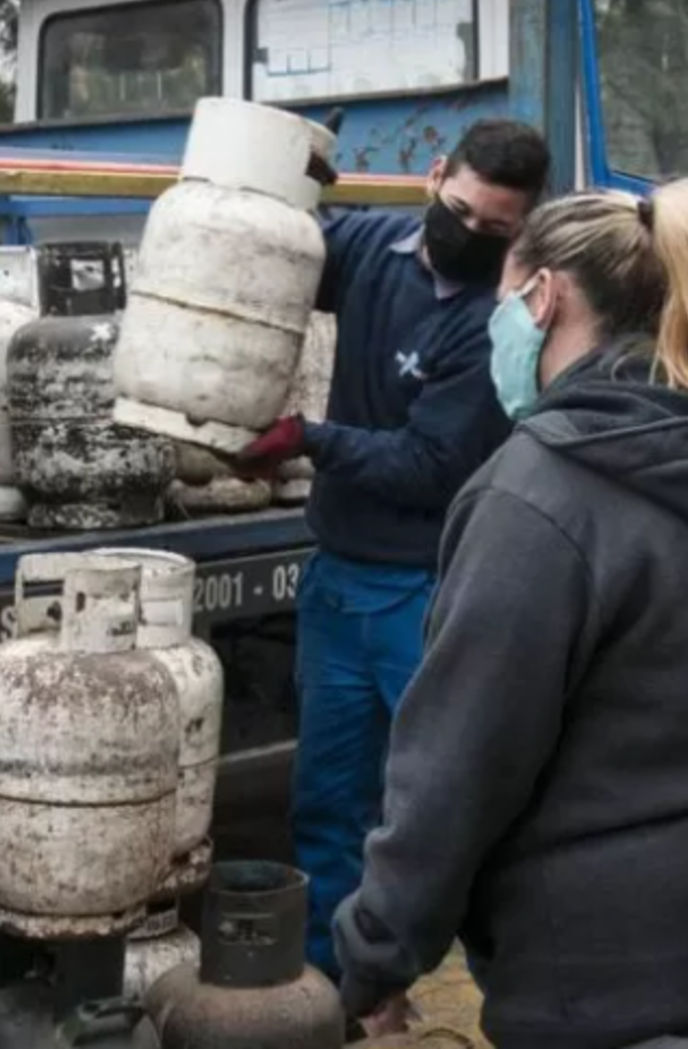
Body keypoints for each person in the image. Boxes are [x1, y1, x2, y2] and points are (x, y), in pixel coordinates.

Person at [330, 180, 688, 1049]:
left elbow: (458, 765)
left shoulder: (537, 493)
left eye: (503, 303)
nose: (497, 327)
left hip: (627, 984)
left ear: (543, 297)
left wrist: (376, 956)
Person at [233, 118, 553, 979]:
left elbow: (427, 464)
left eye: (496, 230)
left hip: (425, 590)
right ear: (435, 176)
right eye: (461, 212)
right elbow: (280, 254)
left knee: (437, 804)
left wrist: (307, 436)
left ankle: (471, 976)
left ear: (521, 228)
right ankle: (334, 985)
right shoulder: (372, 246)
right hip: (338, 581)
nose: (472, 237)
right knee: (326, 798)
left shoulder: (495, 325)